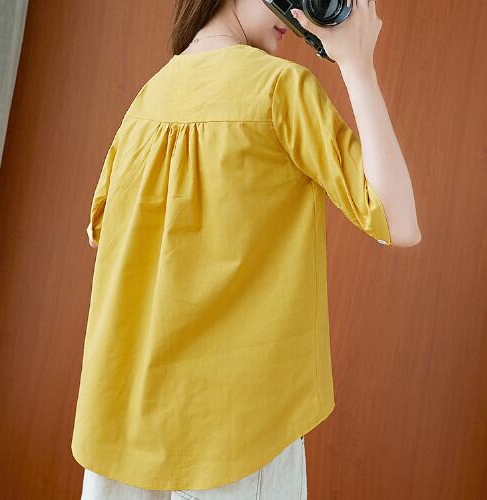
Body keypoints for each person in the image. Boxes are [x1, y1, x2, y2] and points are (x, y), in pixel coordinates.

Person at [72, 0, 421, 498]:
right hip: (239, 431)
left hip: (123, 425)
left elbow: (103, 235)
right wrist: (357, 65)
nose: (297, 13)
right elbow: (397, 220)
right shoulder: (280, 90)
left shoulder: (147, 99)